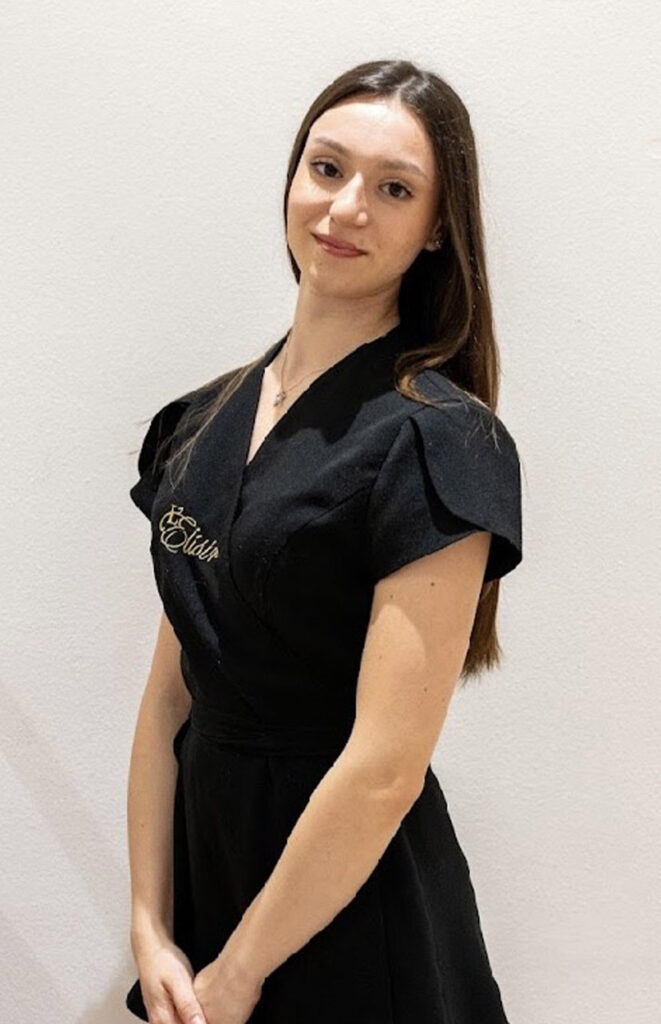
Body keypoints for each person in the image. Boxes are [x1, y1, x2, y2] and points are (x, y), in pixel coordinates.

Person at [125, 58, 523, 1024]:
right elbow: (171, 695)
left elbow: (385, 768)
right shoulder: (198, 421)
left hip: (347, 908)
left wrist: (239, 974)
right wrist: (149, 921)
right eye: (327, 168)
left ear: (437, 229)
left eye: (394, 189)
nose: (346, 208)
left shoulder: (438, 440)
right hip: (207, 877)